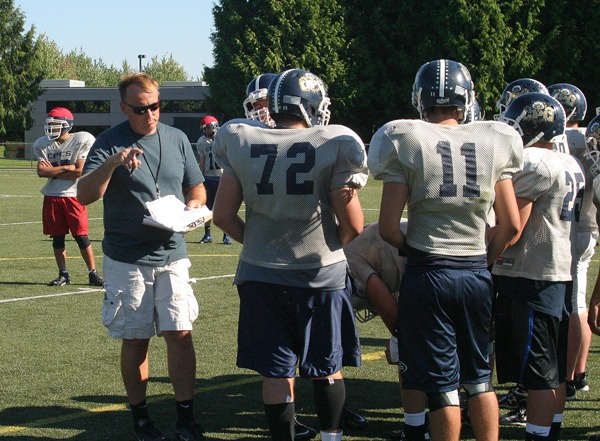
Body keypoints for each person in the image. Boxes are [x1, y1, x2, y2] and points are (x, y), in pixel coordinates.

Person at [368, 59, 523, 441]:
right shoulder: (494, 139)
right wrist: (485, 258)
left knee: (441, 384)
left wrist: (415, 250)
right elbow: (512, 225)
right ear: (465, 100)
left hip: (429, 273)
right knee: (479, 379)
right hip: (474, 272)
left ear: (420, 100)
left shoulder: (406, 138)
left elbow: (388, 229)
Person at [212, 68, 368, 441]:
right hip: (319, 273)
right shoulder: (335, 141)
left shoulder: (240, 138)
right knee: (328, 367)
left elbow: (221, 215)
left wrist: (256, 242)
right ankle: (332, 436)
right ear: (309, 106)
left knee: (276, 371)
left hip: (260, 273)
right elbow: (354, 226)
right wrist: (333, 242)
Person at [77, 73, 207, 441]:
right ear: (123, 108)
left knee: (180, 334)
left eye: (155, 106)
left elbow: (195, 187)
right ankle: (141, 417)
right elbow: (85, 195)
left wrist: (195, 206)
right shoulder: (108, 141)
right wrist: (113, 164)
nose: (150, 114)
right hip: (127, 259)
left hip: (172, 253)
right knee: (136, 339)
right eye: (140, 109)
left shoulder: (178, 138)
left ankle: (186, 417)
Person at [493, 92, 585, 441]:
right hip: (560, 272)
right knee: (555, 372)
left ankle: (538, 434)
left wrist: (486, 255)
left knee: (539, 374)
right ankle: (551, 429)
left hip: (533, 275)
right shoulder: (568, 162)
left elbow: (512, 226)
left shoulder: (533, 161)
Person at [548, 83, 595, 401]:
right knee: (576, 302)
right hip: (588, 225)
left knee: (573, 305)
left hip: (571, 228)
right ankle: (579, 372)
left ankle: (570, 376)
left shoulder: (560, 141)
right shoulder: (588, 137)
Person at [33, 107, 104, 287]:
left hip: (74, 195)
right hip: (52, 195)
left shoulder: (81, 139)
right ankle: (63, 274)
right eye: (49, 125)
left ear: (67, 125)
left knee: (81, 236)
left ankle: (93, 273)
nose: (51, 129)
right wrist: (66, 168)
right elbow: (41, 171)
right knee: (57, 237)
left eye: (56, 125)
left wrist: (55, 171)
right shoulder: (43, 144)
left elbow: (79, 171)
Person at [194, 115, 231, 245]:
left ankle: (226, 235)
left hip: (222, 177)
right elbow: (202, 161)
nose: (205, 131)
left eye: (206, 128)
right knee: (207, 209)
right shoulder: (201, 142)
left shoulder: (224, 138)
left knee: (225, 208)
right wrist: (200, 178)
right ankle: (207, 234)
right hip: (209, 178)